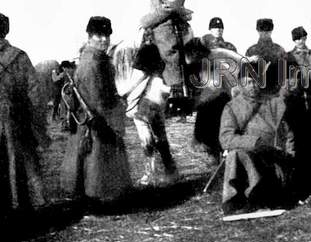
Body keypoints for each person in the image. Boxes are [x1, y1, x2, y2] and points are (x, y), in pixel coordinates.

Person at [61, 16, 132, 205]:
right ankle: (99, 197)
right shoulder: (92, 62)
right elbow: (97, 97)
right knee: (96, 160)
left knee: (88, 160)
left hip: (93, 117)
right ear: (90, 36)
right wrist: (112, 117)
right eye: (99, 35)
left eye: (107, 36)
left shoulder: (95, 58)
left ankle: (93, 195)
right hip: (96, 118)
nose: (104, 40)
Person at [219, 76, 295, 215]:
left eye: (255, 81)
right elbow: (226, 139)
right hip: (248, 160)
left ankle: (259, 199)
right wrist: (254, 143)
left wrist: (289, 158)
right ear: (240, 85)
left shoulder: (274, 103)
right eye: (248, 82)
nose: (253, 85)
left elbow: (288, 135)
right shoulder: (232, 107)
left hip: (274, 161)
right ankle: (238, 200)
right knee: (236, 154)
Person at [0, 12, 49, 219]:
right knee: (23, 162)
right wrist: (36, 123)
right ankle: (27, 206)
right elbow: (36, 94)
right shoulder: (19, 56)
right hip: (17, 120)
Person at [118, 42, 179, 185]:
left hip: (149, 97)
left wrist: (122, 92)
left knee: (147, 137)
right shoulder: (165, 47)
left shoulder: (146, 49)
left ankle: (150, 173)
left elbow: (139, 76)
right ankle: (170, 170)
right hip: (160, 93)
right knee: (159, 135)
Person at [140, 0, 194, 99]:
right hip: (157, 25)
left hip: (169, 25)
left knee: (168, 51)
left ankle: (176, 90)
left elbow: (169, 7)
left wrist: (147, 21)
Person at [192, 17, 239, 166]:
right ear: (210, 30)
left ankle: (228, 157)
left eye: (220, 28)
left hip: (227, 92)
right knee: (209, 126)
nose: (218, 30)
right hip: (211, 92)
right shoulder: (204, 48)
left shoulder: (230, 47)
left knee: (227, 125)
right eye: (215, 28)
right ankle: (213, 157)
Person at [285, 26, 311, 196]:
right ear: (294, 40)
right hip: (296, 104)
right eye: (298, 39)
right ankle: (291, 177)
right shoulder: (288, 57)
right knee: (293, 140)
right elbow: (287, 82)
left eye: (303, 38)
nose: (301, 41)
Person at [245, 19, 286, 96]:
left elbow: (285, 75)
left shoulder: (279, 50)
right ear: (258, 31)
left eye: (268, 31)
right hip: (256, 95)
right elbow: (246, 77)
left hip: (276, 95)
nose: (265, 33)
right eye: (262, 30)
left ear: (271, 31)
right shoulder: (251, 51)